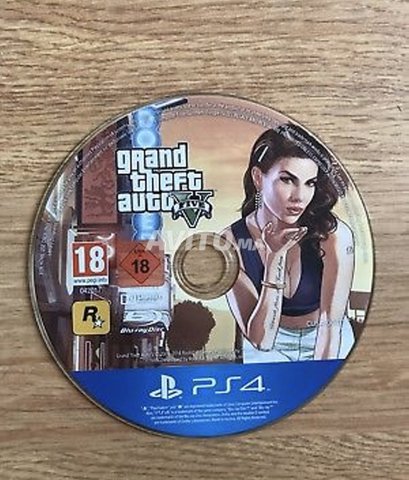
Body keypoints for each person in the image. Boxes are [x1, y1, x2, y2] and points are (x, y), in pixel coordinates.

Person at [222, 124, 355, 363]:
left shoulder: (334, 235)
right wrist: (275, 258)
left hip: (327, 337)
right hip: (267, 345)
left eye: (310, 183)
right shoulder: (230, 243)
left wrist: (321, 375)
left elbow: (331, 324)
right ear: (258, 178)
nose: (299, 196)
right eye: (287, 180)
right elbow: (262, 341)